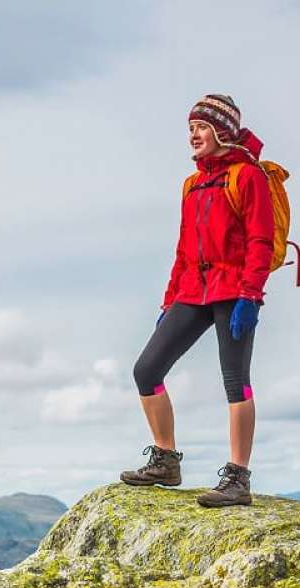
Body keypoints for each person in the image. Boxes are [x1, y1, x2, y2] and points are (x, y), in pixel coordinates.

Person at [120, 93, 275, 508]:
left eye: (201, 127)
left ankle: (238, 479)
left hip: (235, 290)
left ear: (222, 130)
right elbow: (184, 249)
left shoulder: (248, 177)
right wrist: (168, 302)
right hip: (192, 289)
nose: (193, 135)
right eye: (190, 129)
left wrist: (251, 295)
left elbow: (260, 240)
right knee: (146, 369)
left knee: (235, 381)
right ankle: (166, 460)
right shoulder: (191, 185)